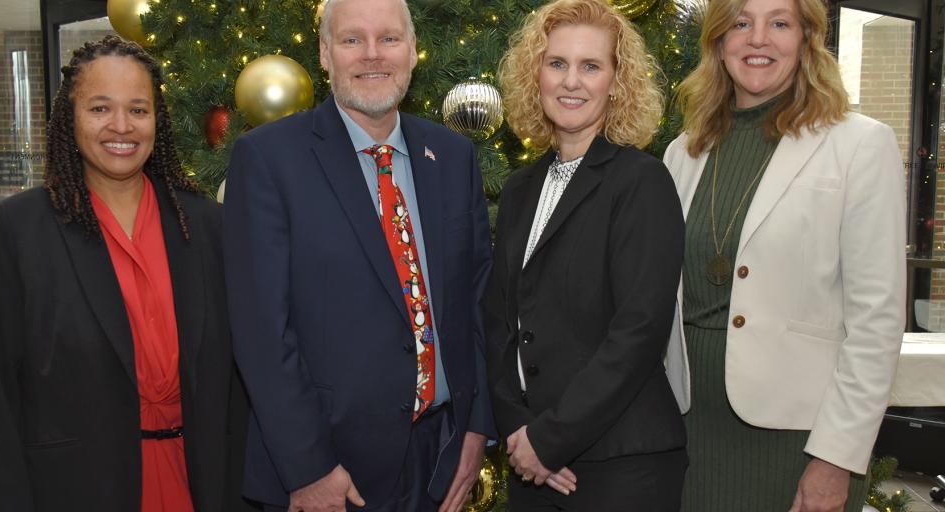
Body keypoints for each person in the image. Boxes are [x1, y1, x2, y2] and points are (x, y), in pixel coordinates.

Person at [222, 0, 495, 510]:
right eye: (352, 40)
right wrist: (309, 467)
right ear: (325, 54)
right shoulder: (268, 159)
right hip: (329, 472)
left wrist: (477, 426)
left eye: (389, 39)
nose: (373, 55)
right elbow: (261, 332)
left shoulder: (453, 156)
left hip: (439, 457)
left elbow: (478, 301)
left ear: (414, 51)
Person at [0, 36, 250, 511]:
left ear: (157, 119)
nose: (122, 126)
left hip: (202, 485)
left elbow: (239, 387)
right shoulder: (17, 231)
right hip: (75, 490)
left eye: (138, 110)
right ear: (69, 119)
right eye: (99, 108)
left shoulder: (206, 226)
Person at [663, 0, 906, 510]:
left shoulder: (859, 145)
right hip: (685, 429)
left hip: (799, 441)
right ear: (718, 42)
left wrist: (835, 458)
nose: (758, 39)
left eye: (779, 23)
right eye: (741, 24)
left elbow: (876, 322)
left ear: (806, 39)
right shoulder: (682, 152)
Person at [485, 0, 688, 509]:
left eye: (590, 66)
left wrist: (550, 440)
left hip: (621, 466)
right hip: (532, 464)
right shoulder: (520, 189)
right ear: (537, 75)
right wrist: (520, 433)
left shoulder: (641, 182)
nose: (571, 81)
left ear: (616, 82)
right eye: (557, 63)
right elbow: (500, 322)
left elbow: (638, 332)